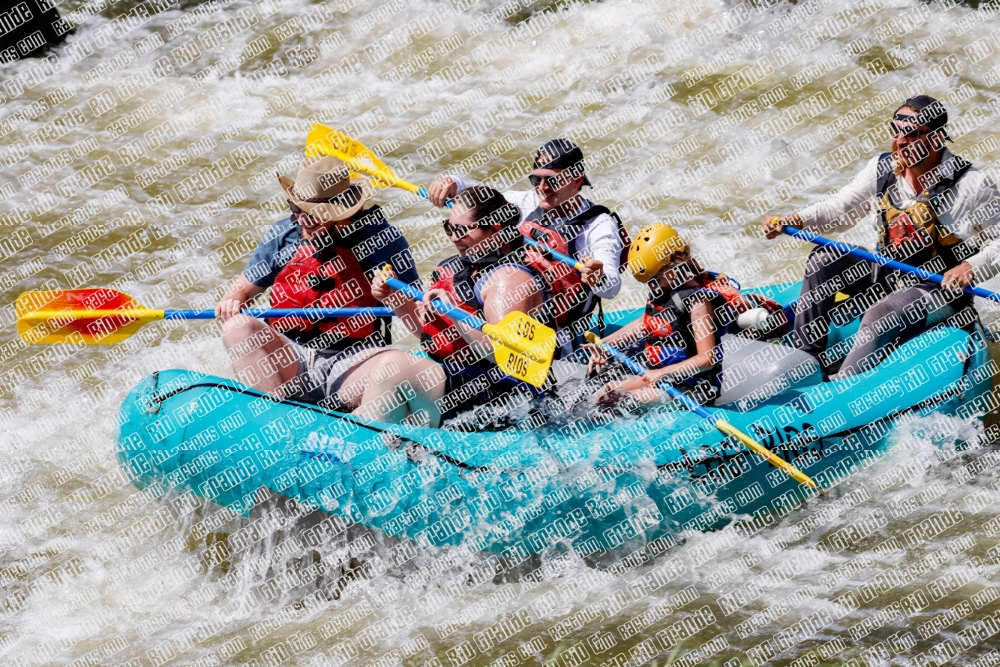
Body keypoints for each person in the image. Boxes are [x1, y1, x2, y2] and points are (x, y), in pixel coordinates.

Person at [763, 95, 1000, 377]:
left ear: (936, 139)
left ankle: (844, 389)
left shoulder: (973, 185)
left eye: (912, 134)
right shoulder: (883, 168)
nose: (900, 141)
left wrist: (969, 267)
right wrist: (796, 219)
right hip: (887, 274)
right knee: (824, 258)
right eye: (896, 131)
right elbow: (841, 210)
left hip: (937, 291)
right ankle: (804, 360)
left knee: (881, 313)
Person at [216, 155, 421, 407]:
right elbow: (241, 290)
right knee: (237, 328)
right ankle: (274, 420)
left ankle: (367, 430)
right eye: (296, 208)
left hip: (353, 361)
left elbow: (420, 319)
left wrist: (394, 297)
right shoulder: (283, 235)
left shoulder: (381, 241)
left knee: (396, 368)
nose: (302, 219)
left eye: (313, 214)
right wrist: (233, 300)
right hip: (292, 357)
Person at [360, 186, 551, 427]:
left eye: (461, 230)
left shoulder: (509, 280)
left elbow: (504, 355)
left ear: (495, 229)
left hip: (508, 395)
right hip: (465, 380)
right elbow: (428, 334)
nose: (453, 238)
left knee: (393, 368)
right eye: (449, 228)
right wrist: (394, 298)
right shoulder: (464, 268)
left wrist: (452, 310)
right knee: (375, 383)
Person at [427, 138, 628, 352]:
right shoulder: (524, 201)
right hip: (509, 305)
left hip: (558, 335)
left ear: (577, 180)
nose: (542, 188)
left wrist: (599, 278)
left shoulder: (599, 225)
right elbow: (481, 200)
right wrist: (453, 183)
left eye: (552, 180)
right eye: (536, 179)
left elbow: (612, 287)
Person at [589, 224, 738, 408]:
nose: (652, 287)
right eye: (648, 283)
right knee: (607, 393)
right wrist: (605, 345)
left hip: (693, 389)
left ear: (676, 262)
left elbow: (706, 360)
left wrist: (662, 373)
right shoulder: (664, 289)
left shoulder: (697, 301)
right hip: (664, 379)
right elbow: (645, 324)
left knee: (623, 401)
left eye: (654, 280)